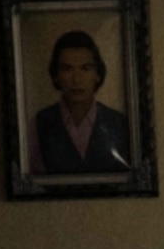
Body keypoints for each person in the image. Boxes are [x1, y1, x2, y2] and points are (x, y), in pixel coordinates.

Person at [31, 28, 133, 175]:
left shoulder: (120, 123)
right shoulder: (39, 124)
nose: (77, 80)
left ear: (98, 75)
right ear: (56, 75)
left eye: (85, 69)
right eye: (67, 69)